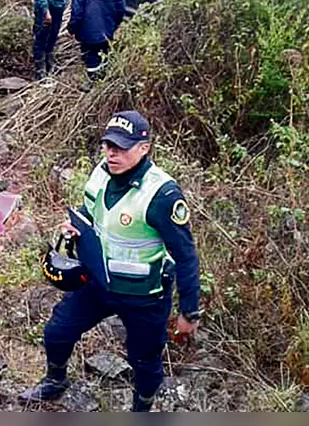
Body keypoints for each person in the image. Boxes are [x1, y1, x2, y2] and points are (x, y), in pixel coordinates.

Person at [19, 111, 201, 412]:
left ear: (144, 149)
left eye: (121, 147)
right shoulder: (101, 173)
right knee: (57, 331)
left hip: (145, 296)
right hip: (98, 283)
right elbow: (90, 209)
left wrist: (189, 312)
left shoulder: (162, 195)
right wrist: (76, 225)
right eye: (108, 145)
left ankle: (142, 407)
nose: (112, 153)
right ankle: (55, 380)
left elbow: (186, 255)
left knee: (144, 360)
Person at [67, 0, 127, 90]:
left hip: (88, 34)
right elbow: (120, 9)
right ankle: (103, 82)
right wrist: (113, 26)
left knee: (91, 58)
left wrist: (71, 29)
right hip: (107, 31)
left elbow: (77, 12)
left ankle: (92, 85)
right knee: (104, 55)